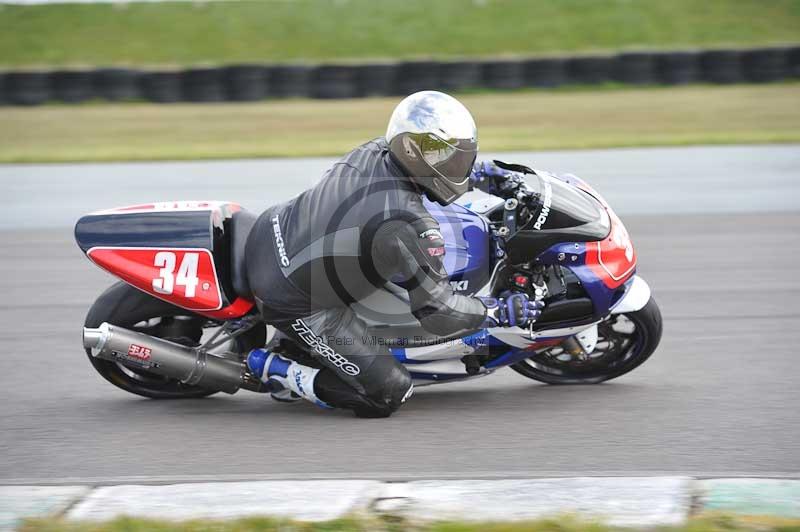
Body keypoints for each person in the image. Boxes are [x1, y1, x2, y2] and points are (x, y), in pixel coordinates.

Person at [244, 90, 543, 418]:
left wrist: (480, 174)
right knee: (389, 392)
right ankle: (276, 369)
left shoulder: (375, 149)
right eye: (452, 158)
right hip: (293, 298)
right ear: (413, 151)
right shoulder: (408, 224)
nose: (458, 165)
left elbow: (427, 173)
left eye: (462, 156)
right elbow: (440, 313)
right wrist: (496, 311)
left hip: (275, 226)